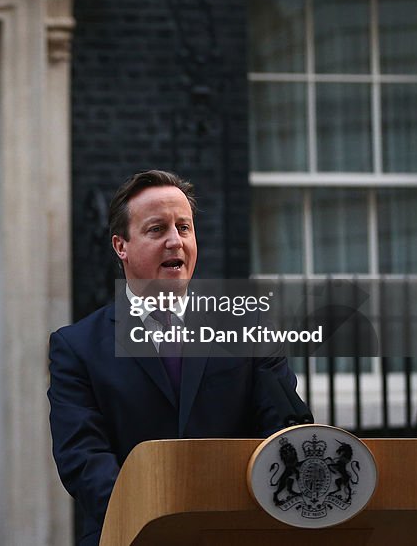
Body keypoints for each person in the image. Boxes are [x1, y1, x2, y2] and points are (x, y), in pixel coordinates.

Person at [47, 170, 301, 546]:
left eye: (184, 227)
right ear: (121, 246)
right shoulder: (76, 347)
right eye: (156, 229)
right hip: (129, 534)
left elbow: (282, 431)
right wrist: (156, 519)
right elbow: (82, 457)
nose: (175, 241)